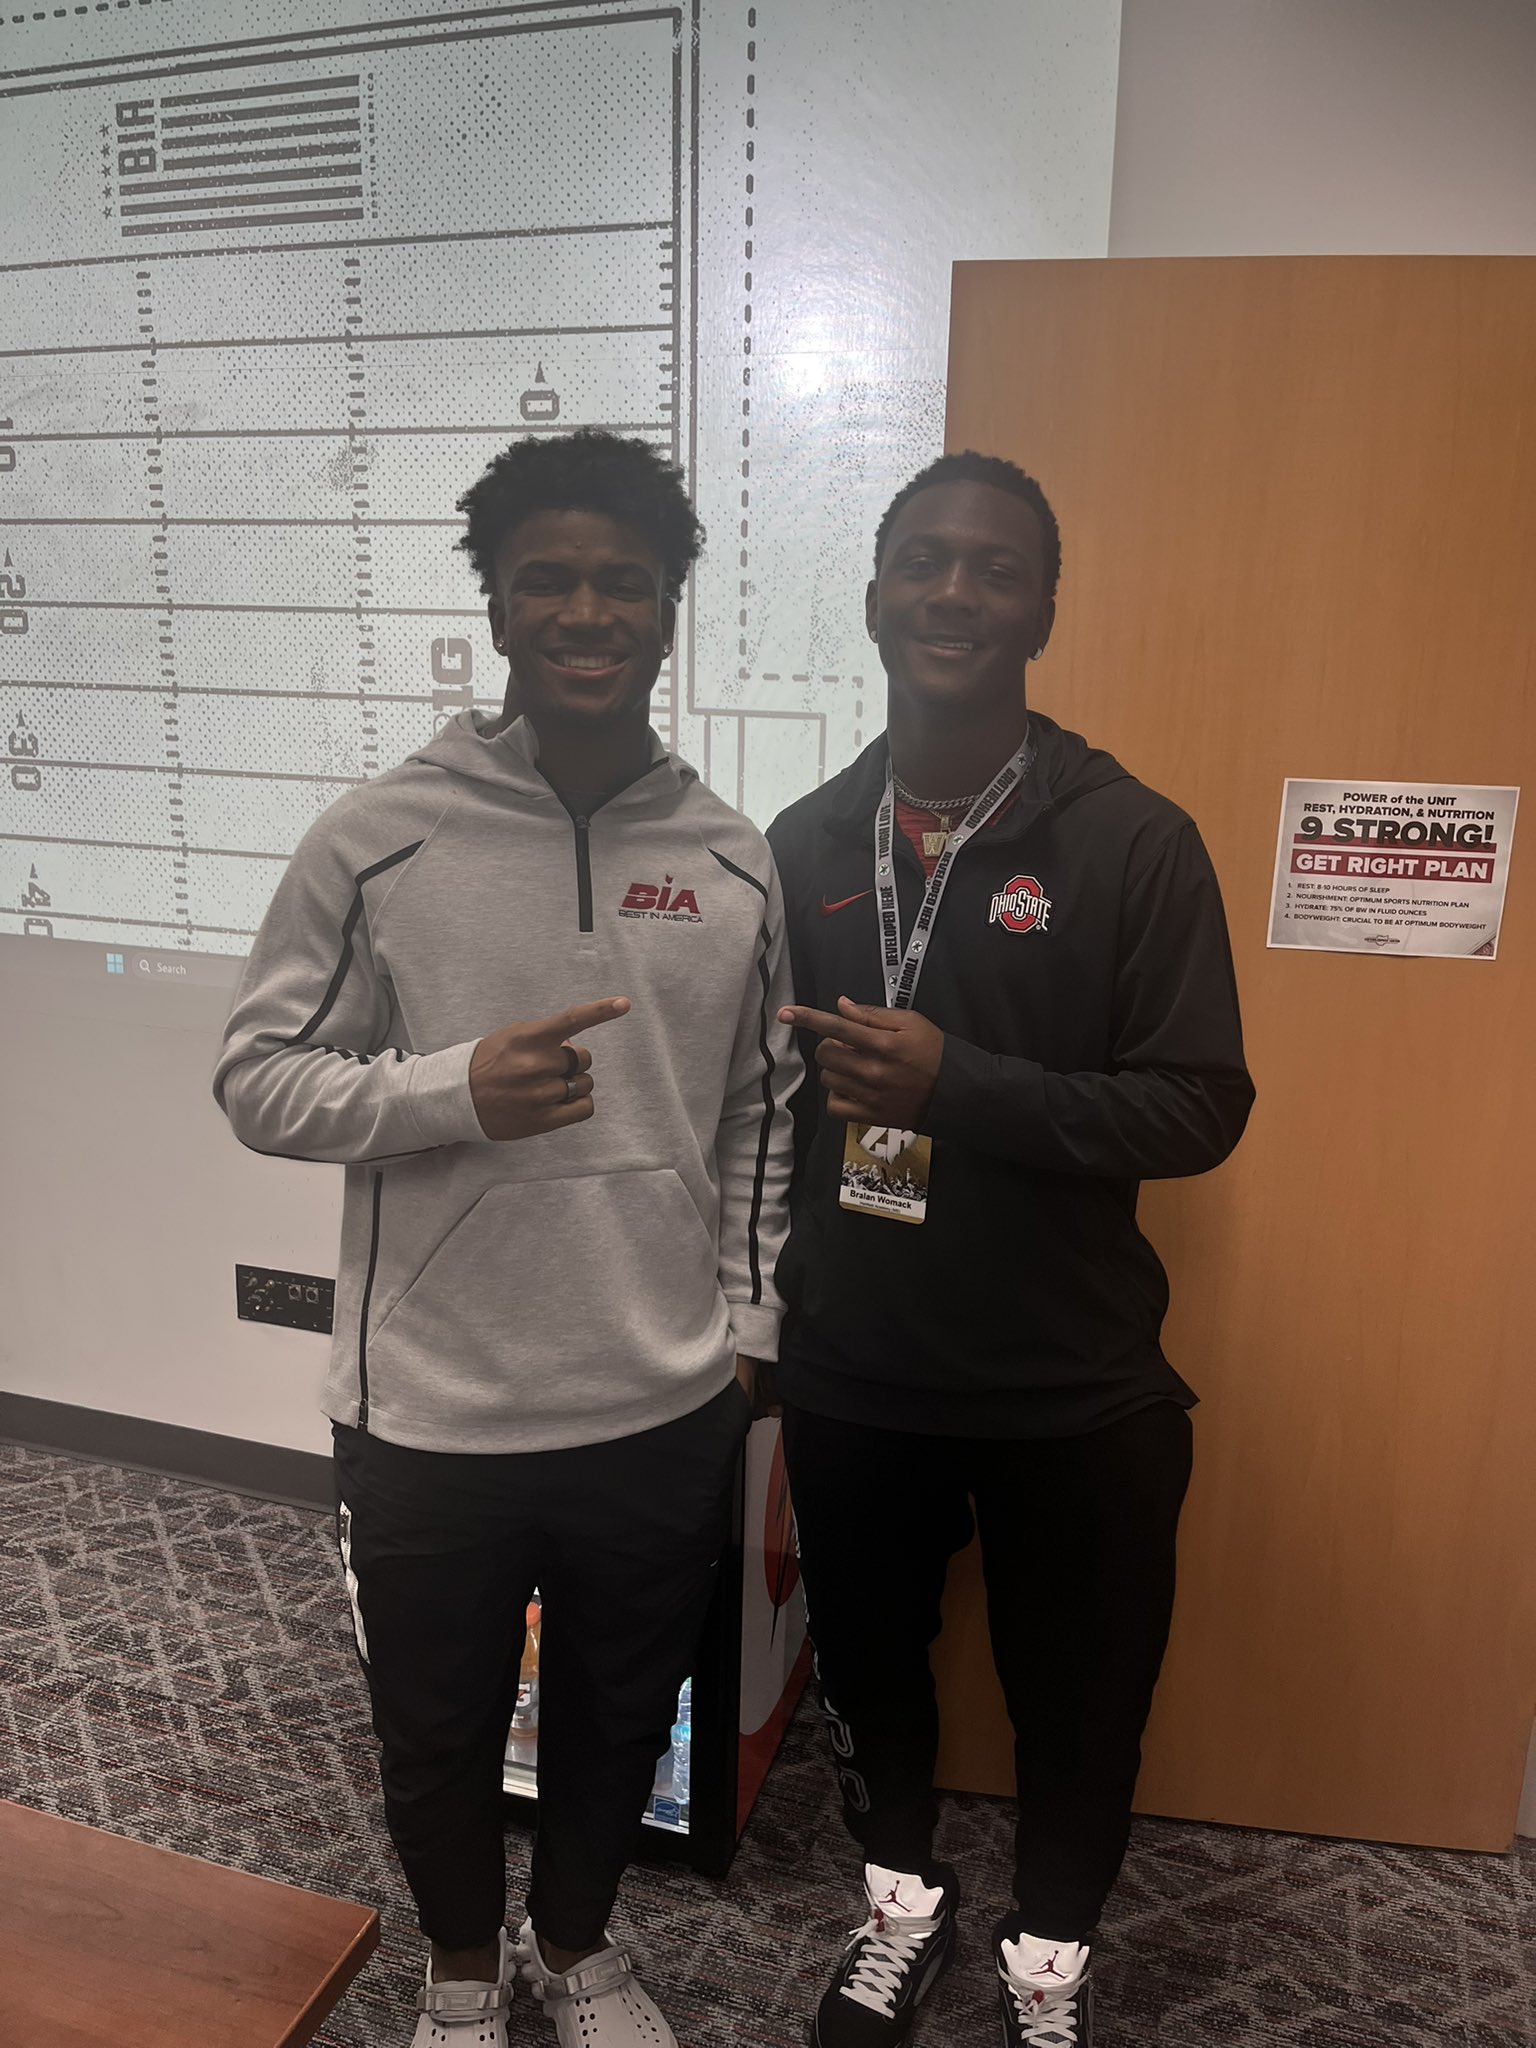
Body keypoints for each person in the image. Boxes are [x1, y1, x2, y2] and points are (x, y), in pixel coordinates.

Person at [214, 429, 799, 2048]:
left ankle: (581, 1949)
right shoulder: (379, 837)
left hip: (659, 1401)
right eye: (548, 580)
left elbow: (762, 1113)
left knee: (623, 1712)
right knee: (438, 1726)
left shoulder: (733, 857)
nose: (586, 612)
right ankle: (464, 1975)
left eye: (624, 582)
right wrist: (449, 1090)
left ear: (669, 608)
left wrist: (747, 1329)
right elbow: (259, 1079)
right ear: (495, 606)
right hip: (432, 1406)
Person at [766, 451, 1254, 2048]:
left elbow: (1199, 1107)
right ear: (874, 599)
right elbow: (763, 1115)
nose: (955, 592)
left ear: (1045, 610)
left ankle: (1049, 1959)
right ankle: (900, 1906)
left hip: (1073, 1383)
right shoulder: (804, 839)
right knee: (873, 1681)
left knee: (1083, 1704)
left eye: (995, 568)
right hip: (858, 1370)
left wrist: (957, 1087)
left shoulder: (1133, 842)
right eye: (924, 561)